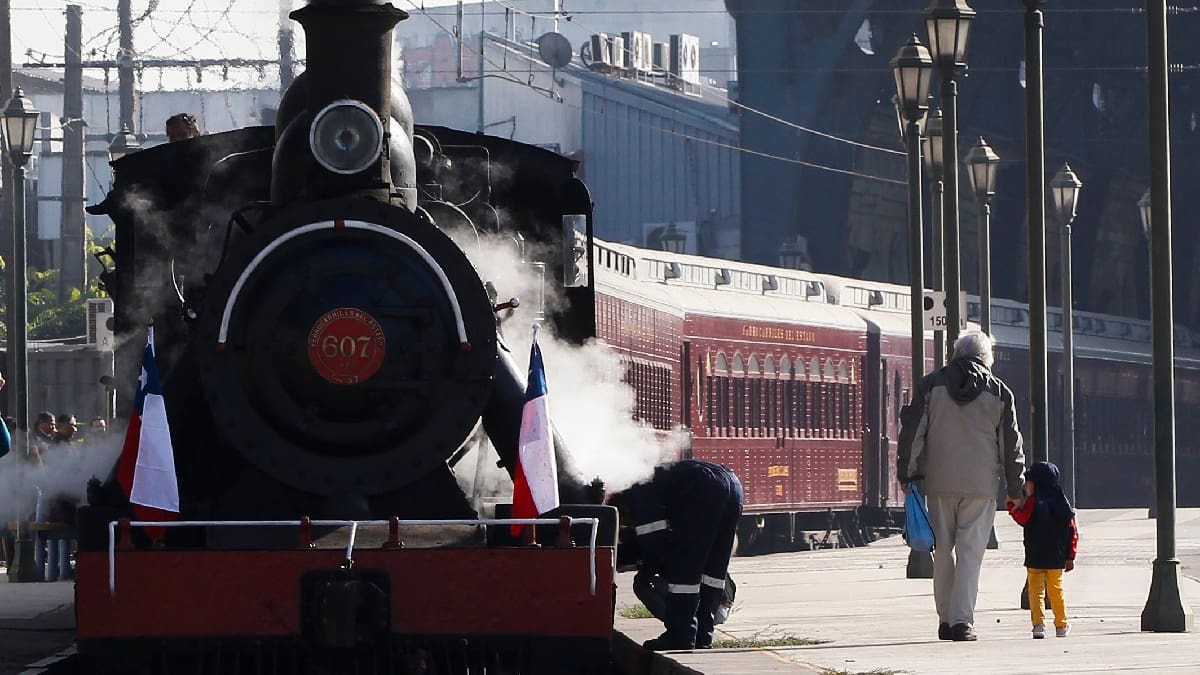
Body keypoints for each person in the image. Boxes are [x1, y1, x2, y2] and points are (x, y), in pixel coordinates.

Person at [897, 330, 1026, 642]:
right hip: (981, 486)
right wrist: (1015, 488)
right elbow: (1011, 445)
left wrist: (908, 473)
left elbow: (914, 433)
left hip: (939, 482)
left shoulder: (930, 386)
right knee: (970, 554)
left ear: (955, 353)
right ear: (986, 358)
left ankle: (945, 619)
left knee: (942, 551)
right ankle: (961, 622)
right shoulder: (1000, 392)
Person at [608, 459, 743, 651]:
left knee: (685, 568)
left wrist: (646, 572)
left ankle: (681, 635)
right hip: (732, 482)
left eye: (627, 523)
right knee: (714, 569)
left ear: (624, 508)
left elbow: (654, 542)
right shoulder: (658, 478)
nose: (629, 527)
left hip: (702, 486)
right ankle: (703, 634)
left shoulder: (638, 491)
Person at [1007, 461, 1078, 638]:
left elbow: (1023, 519)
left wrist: (1011, 508)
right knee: (1056, 589)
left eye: (1028, 482)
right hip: (1057, 555)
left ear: (1035, 483)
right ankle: (1061, 625)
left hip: (1035, 555)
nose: (1026, 486)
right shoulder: (1062, 502)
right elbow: (1072, 530)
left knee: (1036, 591)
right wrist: (1070, 556)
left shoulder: (1032, 502)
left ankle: (1039, 625)